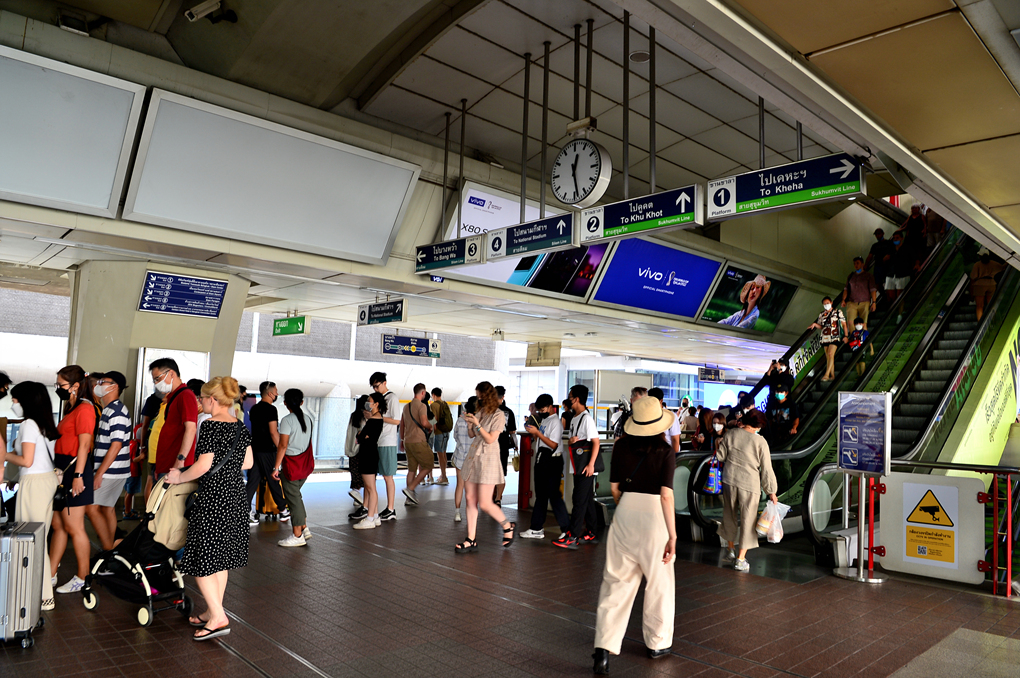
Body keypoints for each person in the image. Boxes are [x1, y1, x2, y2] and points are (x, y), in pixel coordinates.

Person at [592, 395, 677, 674]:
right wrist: (673, 536)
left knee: (616, 582)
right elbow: (666, 496)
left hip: (625, 514)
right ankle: (657, 643)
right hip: (655, 518)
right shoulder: (666, 451)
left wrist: (626, 506)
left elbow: (614, 488)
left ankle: (603, 648)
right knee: (659, 583)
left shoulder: (620, 446)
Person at [166, 377, 253, 640]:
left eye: (202, 398)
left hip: (214, 497)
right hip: (235, 496)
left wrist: (178, 477)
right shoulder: (239, 425)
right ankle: (212, 610)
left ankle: (218, 617)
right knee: (219, 559)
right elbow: (247, 462)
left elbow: (203, 465)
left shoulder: (210, 425)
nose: (200, 402)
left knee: (201, 558)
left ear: (212, 399)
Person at [4, 381, 59, 610]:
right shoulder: (44, 423)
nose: (13, 403)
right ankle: (40, 593)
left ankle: (43, 596)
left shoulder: (28, 424)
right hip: (45, 481)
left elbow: (26, 460)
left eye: (15, 399)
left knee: (31, 540)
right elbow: (38, 461)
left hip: (34, 485)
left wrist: (3, 455)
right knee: (37, 538)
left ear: (26, 400)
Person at [50, 365, 98, 594]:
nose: (58, 388)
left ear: (75, 386)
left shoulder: (86, 409)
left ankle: (83, 576)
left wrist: (78, 475)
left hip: (75, 470)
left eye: (61, 384)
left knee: (74, 526)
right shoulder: (71, 407)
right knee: (58, 525)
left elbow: (85, 445)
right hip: (62, 469)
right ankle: (50, 573)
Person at [454, 381, 515, 552]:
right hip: (473, 458)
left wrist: (477, 423)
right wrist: (470, 424)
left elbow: (490, 439)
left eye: (480, 397)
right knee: (470, 499)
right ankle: (471, 539)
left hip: (488, 460)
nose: (478, 400)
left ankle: (507, 525)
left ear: (488, 396)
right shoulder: (481, 412)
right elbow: (472, 434)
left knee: (486, 503)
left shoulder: (499, 415)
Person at [715, 410, 778, 572]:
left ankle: (730, 550)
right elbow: (766, 469)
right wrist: (771, 491)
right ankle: (740, 559)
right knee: (748, 520)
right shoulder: (760, 442)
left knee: (729, 514)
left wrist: (719, 443)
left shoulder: (731, 434)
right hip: (749, 484)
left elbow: (720, 456)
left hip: (729, 480)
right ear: (759, 426)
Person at [85, 371, 132, 551]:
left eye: (103, 382)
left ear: (115, 386)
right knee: (107, 508)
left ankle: (108, 550)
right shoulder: (109, 409)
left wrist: (99, 473)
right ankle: (111, 548)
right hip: (113, 470)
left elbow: (116, 445)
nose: (99, 385)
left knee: (91, 508)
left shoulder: (117, 412)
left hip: (112, 471)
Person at [553, 384, 601, 550]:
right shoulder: (575, 418)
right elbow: (578, 439)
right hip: (578, 465)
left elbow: (596, 442)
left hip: (586, 467)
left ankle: (572, 536)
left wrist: (591, 465)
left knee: (579, 501)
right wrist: (572, 440)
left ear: (577, 399)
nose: (569, 400)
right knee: (586, 500)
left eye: (571, 397)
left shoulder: (587, 419)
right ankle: (592, 532)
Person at [521, 393, 570, 540]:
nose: (541, 412)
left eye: (542, 409)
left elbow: (553, 444)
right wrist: (534, 433)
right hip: (543, 459)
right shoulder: (545, 420)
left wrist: (537, 432)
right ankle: (536, 528)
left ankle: (566, 529)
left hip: (552, 461)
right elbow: (542, 439)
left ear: (550, 407)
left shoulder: (555, 422)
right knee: (541, 495)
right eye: (539, 410)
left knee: (554, 495)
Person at [273, 389, 315, 547]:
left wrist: (276, 467)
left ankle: (297, 535)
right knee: (295, 496)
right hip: (305, 464)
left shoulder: (287, 421)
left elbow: (283, 446)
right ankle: (303, 527)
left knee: (294, 499)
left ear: (285, 403)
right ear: (302, 402)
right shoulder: (308, 419)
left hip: (291, 465)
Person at [148, 358, 199, 479]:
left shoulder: (185, 395)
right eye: (154, 380)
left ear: (171, 373)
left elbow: (191, 429)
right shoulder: (174, 397)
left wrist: (180, 460)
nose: (156, 383)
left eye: (158, 379)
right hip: (165, 464)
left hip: (175, 467)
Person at [246, 381, 288, 524]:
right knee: (273, 479)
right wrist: (281, 448)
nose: (277, 394)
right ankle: (283, 510)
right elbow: (273, 432)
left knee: (252, 481)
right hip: (267, 450)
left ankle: (244, 511)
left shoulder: (254, 409)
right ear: (270, 393)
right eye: (276, 392)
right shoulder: (271, 409)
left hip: (255, 449)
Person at [370, 372, 401, 522]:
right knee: (383, 475)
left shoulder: (392, 398)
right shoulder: (380, 398)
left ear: (384, 383)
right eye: (373, 387)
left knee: (388, 476)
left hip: (388, 441)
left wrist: (379, 417)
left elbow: (397, 420)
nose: (376, 389)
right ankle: (386, 508)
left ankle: (391, 508)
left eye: (377, 386)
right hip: (379, 440)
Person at [353, 392, 386, 530]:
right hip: (370, 453)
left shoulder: (374, 420)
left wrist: (361, 435)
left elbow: (361, 437)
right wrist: (362, 436)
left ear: (376, 404)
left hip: (368, 454)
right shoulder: (377, 418)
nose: (368, 403)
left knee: (371, 488)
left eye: (370, 401)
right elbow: (362, 436)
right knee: (370, 487)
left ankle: (370, 518)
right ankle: (375, 516)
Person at [400, 383, 434, 506]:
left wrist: (402, 440)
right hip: (418, 441)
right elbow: (424, 422)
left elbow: (402, 425)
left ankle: (409, 498)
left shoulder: (406, 407)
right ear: (423, 393)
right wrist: (430, 426)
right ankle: (411, 488)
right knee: (429, 465)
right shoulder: (421, 406)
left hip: (408, 441)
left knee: (411, 469)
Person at [808, 296, 847, 381]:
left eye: (827, 303)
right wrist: (815, 324)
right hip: (825, 337)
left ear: (831, 302)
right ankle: (832, 375)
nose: (826, 305)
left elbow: (844, 324)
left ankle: (826, 374)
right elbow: (822, 326)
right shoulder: (822, 314)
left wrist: (846, 336)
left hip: (835, 336)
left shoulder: (838, 312)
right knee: (828, 357)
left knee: (830, 354)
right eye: (824, 304)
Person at [451, 397, 475, 523]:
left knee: (459, 485)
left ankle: (457, 513)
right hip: (472, 458)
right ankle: (470, 512)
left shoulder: (460, 420)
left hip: (460, 456)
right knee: (470, 487)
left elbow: (455, 436)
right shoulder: (477, 421)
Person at [493, 385, 517, 506]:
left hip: (489, 445)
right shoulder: (509, 412)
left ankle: (490, 496)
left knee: (489, 472)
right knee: (501, 473)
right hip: (503, 446)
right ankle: (498, 498)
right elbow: (512, 431)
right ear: (503, 397)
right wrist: (516, 444)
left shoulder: (488, 411)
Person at [346, 394, 369, 522]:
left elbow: (349, 434)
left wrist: (347, 449)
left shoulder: (353, 415)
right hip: (362, 449)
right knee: (364, 474)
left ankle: (356, 493)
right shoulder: (365, 417)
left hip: (352, 449)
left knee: (355, 471)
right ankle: (358, 495)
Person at [840, 256, 878, 331]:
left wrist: (874, 302)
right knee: (850, 323)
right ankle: (853, 337)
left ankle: (864, 338)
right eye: (854, 263)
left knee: (863, 323)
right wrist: (843, 299)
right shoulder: (851, 276)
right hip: (852, 302)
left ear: (862, 264)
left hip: (864, 302)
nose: (856, 265)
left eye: (858, 263)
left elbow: (873, 290)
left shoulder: (868, 276)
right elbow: (846, 289)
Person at [138, 390, 163, 503]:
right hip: (155, 446)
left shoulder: (153, 400)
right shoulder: (154, 400)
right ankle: (149, 510)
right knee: (152, 479)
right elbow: (145, 425)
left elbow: (145, 425)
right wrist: (142, 447)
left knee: (151, 479)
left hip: (152, 444)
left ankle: (148, 510)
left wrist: (142, 446)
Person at [970, 249, 1005, 321]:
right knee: (991, 304)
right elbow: (1002, 268)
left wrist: (971, 290)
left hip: (980, 285)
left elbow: (973, 277)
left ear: (980, 256)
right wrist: (1008, 262)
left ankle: (980, 322)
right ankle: (994, 320)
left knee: (980, 306)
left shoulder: (977, 264)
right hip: (991, 284)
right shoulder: (993, 263)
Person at [430, 388, 453, 485]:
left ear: (433, 395)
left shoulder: (433, 405)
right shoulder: (445, 403)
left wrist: (432, 431)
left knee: (440, 455)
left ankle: (444, 477)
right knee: (443, 453)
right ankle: (443, 475)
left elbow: (434, 420)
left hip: (439, 432)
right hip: (446, 432)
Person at [648, 388, 681, 454]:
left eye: (654, 401)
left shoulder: (671, 416)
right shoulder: (647, 415)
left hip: (666, 453)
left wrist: (674, 457)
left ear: (661, 401)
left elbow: (675, 439)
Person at [865, 228, 895, 293]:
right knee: (877, 284)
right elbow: (870, 256)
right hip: (878, 266)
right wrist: (866, 264)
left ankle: (886, 294)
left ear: (883, 234)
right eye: (876, 235)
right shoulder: (875, 245)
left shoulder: (889, 243)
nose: (877, 236)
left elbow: (892, 253)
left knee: (887, 283)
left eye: (879, 234)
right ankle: (883, 294)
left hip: (887, 266)